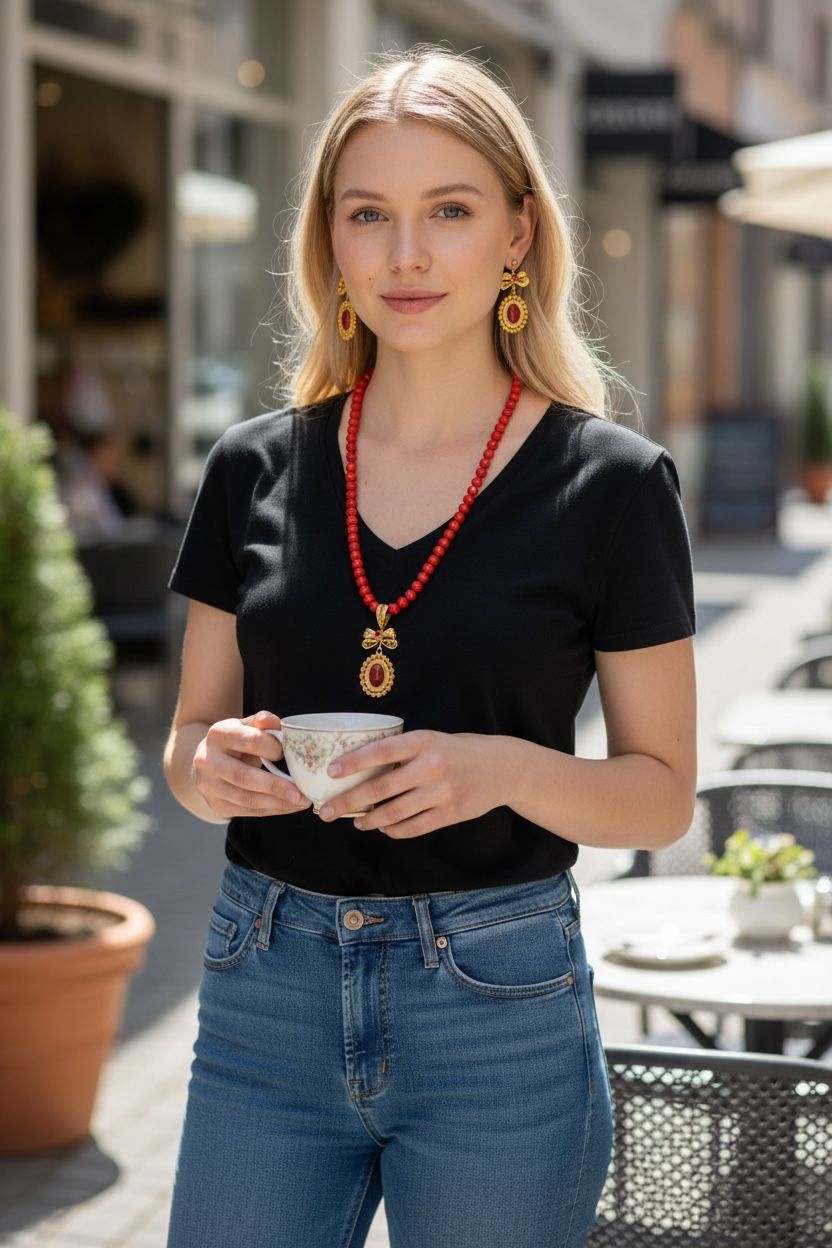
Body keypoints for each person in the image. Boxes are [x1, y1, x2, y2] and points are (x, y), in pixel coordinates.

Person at [163, 46, 697, 1248]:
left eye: (447, 212)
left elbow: (661, 797)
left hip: (498, 1005)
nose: (406, 255)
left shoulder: (612, 486)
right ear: (332, 242)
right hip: (265, 988)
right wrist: (212, 772)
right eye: (371, 215)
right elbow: (189, 744)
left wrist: (499, 771)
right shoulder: (251, 464)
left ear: (516, 231)